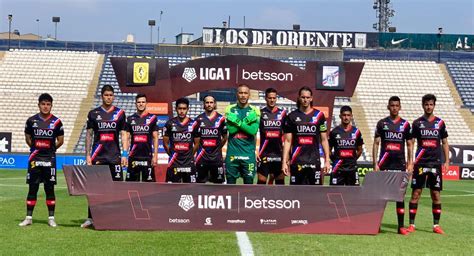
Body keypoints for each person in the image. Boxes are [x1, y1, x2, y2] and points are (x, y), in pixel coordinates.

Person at [81, 85, 128, 228]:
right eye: (106, 95)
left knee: (117, 188)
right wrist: (88, 155)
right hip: (98, 157)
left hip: (114, 157)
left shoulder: (120, 113)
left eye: (111, 95)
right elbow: (89, 135)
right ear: (102, 96)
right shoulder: (93, 113)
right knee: (94, 189)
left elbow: (124, 135)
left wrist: (125, 154)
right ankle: (91, 218)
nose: (109, 97)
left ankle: (116, 217)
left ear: (113, 96)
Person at [19, 93, 64, 227]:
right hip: (34, 159)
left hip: (49, 160)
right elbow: (28, 138)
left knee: (49, 189)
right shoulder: (31, 121)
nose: (45, 106)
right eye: (43, 104)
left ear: (51, 105)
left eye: (48, 104)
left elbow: (60, 141)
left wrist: (50, 150)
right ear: (38, 105)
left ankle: (51, 218)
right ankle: (28, 217)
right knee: (33, 188)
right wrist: (36, 149)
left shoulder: (56, 122)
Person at [372, 96, 413, 235]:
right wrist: (375, 163)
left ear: (400, 107)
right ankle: (376, 224)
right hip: (384, 164)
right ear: (388, 107)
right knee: (381, 197)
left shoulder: (406, 125)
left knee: (400, 197)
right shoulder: (382, 123)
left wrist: (410, 163)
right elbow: (376, 143)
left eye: (397, 105)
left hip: (400, 165)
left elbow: (409, 144)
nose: (394, 108)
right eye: (392, 105)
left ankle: (401, 226)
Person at [408, 94, 449, 234]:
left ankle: (436, 225)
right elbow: (411, 142)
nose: (429, 106)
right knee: (416, 193)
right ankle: (411, 224)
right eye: (426, 104)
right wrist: (411, 161)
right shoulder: (417, 123)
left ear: (434, 105)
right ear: (423, 105)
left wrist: (447, 160)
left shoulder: (440, 123)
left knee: (436, 194)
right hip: (420, 163)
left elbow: (444, 142)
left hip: (435, 163)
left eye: (431, 104)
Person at [282, 86, 330, 185]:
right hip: (297, 161)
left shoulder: (319, 116)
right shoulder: (291, 116)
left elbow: (324, 140)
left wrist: (327, 160)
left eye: (307, 97)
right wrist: (284, 162)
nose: (305, 100)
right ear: (299, 98)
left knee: (316, 194)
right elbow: (287, 141)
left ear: (311, 98)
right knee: (296, 194)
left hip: (314, 161)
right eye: (303, 97)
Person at [225, 84, 260, 184]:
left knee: (248, 187)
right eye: (241, 93)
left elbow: (252, 131)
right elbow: (231, 130)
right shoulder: (229, 109)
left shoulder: (255, 111)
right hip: (232, 155)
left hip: (248, 155)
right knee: (230, 187)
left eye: (245, 93)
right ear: (237, 94)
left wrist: (237, 122)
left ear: (249, 95)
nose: (243, 95)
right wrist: (246, 121)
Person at [163, 97, 200, 183]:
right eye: (180, 108)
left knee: (191, 190)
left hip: (188, 163)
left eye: (184, 109)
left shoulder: (194, 124)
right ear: (176, 109)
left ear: (188, 109)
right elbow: (165, 143)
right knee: (170, 191)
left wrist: (190, 155)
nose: (182, 111)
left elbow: (197, 144)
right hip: (174, 163)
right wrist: (172, 154)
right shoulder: (169, 124)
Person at [125, 93, 159, 182]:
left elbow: (155, 138)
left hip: (147, 157)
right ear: (135, 104)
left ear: (146, 103)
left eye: (143, 102)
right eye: (139, 102)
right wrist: (124, 155)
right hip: (133, 157)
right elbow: (127, 138)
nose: (141, 104)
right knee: (130, 186)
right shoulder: (130, 119)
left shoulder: (152, 118)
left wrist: (155, 156)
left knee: (149, 187)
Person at [195, 95, 227, 183]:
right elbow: (195, 140)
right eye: (207, 102)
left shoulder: (221, 119)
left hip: (216, 159)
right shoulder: (198, 119)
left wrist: (218, 148)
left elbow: (224, 137)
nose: (209, 104)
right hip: (201, 158)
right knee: (199, 185)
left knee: (218, 185)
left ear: (215, 104)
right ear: (204, 104)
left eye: (211, 102)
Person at [257, 88, 286, 185]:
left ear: (276, 98)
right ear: (265, 98)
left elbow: (288, 136)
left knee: (280, 183)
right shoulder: (260, 113)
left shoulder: (283, 114)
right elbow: (253, 133)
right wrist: (255, 151)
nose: (272, 100)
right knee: (261, 183)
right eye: (270, 98)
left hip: (279, 154)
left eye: (274, 98)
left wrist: (287, 156)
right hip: (264, 154)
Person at [329, 106, 363, 186]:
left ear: (351, 116)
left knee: (354, 194)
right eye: (344, 115)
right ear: (340, 116)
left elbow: (360, 150)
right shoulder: (334, 132)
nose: (346, 117)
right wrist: (335, 161)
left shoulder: (356, 132)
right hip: (338, 168)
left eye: (348, 115)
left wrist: (353, 159)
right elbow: (329, 150)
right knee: (335, 193)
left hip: (352, 168)